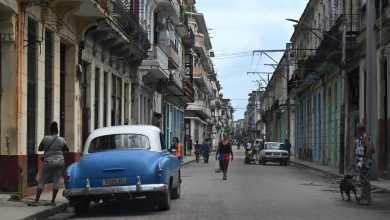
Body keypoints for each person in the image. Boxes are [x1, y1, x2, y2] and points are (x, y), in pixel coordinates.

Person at [28, 121, 69, 206]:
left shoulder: (45, 138)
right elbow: (67, 149)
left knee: (42, 181)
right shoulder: (61, 139)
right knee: (56, 181)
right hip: (60, 162)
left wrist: (46, 147)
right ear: (57, 131)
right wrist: (64, 142)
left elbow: (39, 149)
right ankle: (53, 201)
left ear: (50, 131)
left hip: (48, 162)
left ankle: (36, 201)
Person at [352, 123, 374, 205]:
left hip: (364, 162)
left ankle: (368, 199)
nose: (356, 131)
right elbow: (373, 148)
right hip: (363, 162)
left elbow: (369, 148)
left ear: (359, 129)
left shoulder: (365, 136)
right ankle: (363, 196)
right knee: (363, 180)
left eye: (357, 129)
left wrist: (364, 160)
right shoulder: (366, 136)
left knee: (366, 181)